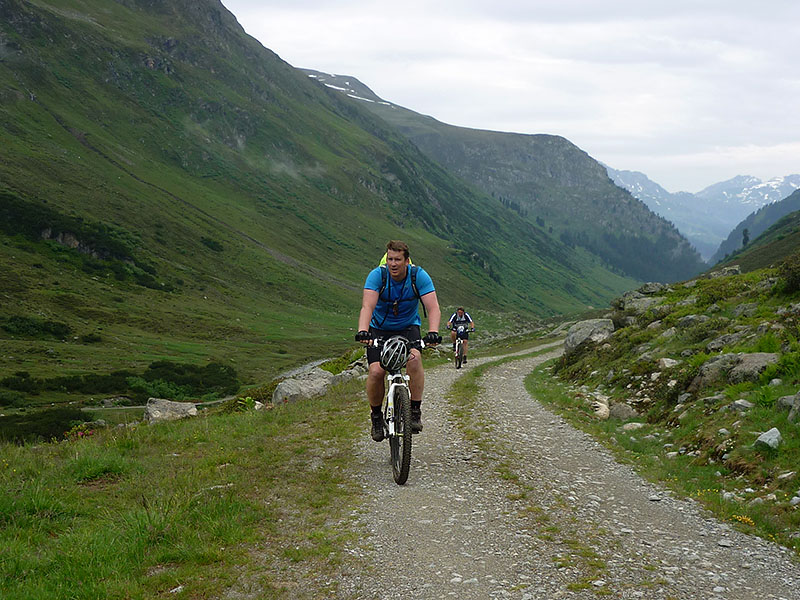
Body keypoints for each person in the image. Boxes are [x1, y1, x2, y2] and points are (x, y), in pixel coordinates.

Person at [356, 240, 441, 441]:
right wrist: (363, 331)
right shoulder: (377, 276)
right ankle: (376, 417)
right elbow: (367, 306)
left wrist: (433, 332)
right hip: (379, 328)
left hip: (408, 327)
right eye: (390, 259)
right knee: (376, 372)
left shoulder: (418, 276)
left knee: (414, 360)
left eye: (397, 260)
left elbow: (433, 307)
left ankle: (415, 411)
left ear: (407, 261)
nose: (393, 264)